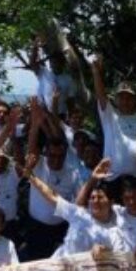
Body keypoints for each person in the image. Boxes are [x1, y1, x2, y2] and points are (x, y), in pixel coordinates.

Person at [22, 98, 87, 259]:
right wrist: (36, 122)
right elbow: (31, 147)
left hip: (61, 229)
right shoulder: (38, 165)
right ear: (46, 153)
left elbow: (79, 203)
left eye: (60, 156)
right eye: (52, 155)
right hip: (36, 228)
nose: (56, 159)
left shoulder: (73, 173)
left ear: (66, 154)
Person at [26, 158, 128, 259]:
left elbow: (118, 261)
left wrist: (105, 252)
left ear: (111, 202)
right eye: (92, 198)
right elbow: (52, 196)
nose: (95, 201)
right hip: (58, 264)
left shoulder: (114, 232)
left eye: (100, 197)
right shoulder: (79, 214)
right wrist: (31, 176)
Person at [90, 55, 136, 195]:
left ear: (135, 100)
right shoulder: (110, 116)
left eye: (129, 97)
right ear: (116, 99)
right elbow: (101, 94)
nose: (125, 100)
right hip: (111, 180)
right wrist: (96, 72)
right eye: (121, 97)